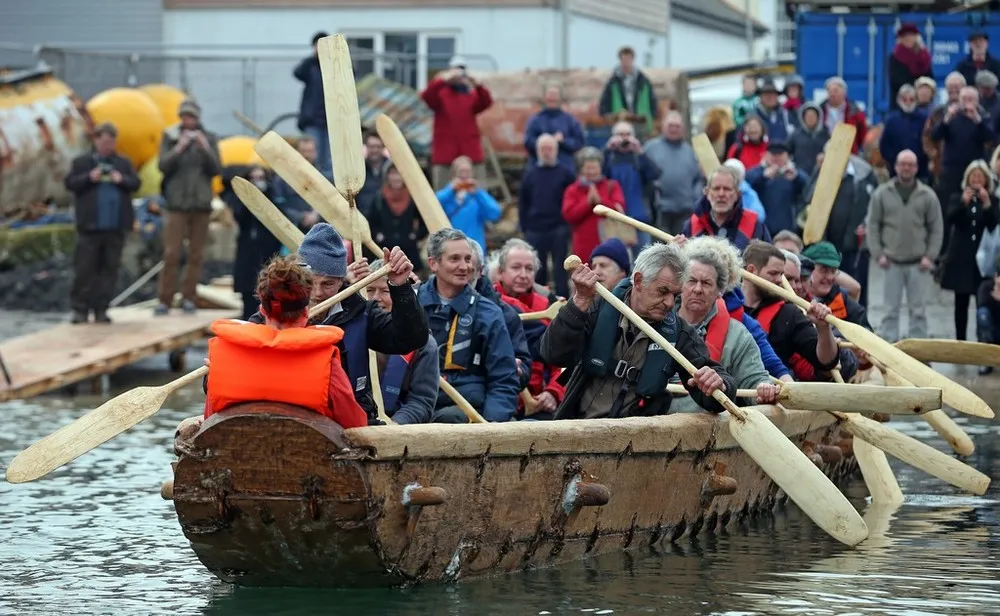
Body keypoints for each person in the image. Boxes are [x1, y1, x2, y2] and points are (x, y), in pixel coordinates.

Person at [249, 223, 428, 424]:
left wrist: (400, 287)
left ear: (342, 280)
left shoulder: (362, 313)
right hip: (290, 422)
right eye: (310, 282)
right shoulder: (271, 316)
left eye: (328, 284)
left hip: (351, 423)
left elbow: (412, 338)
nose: (317, 293)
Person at [540, 243, 737, 418]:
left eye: (675, 295)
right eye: (662, 291)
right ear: (639, 280)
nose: (670, 303)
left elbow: (714, 396)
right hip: (579, 429)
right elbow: (553, 355)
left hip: (635, 443)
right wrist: (579, 302)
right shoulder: (595, 309)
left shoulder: (679, 333)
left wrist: (719, 384)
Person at [203, 255, 367, 428]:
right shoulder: (327, 363)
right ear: (306, 312)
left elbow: (210, 423)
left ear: (262, 311)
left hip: (236, 451)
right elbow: (355, 425)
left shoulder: (223, 357)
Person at [418, 228, 520, 422]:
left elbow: (504, 380)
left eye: (467, 259)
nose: (464, 266)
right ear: (433, 263)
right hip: (413, 407)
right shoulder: (411, 306)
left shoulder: (489, 313)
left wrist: (490, 426)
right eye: (454, 259)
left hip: (468, 412)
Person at [673, 237, 779, 411]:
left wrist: (764, 390)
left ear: (720, 291)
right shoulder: (658, 322)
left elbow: (755, 381)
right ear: (680, 284)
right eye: (691, 281)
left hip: (708, 431)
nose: (697, 289)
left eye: (706, 283)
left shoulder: (738, 336)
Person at [64, 122, 140, 324]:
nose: (108, 145)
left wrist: (121, 179)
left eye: (111, 142)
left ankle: (101, 309)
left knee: (109, 269)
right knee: (85, 268)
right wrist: (90, 177)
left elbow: (135, 183)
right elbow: (70, 183)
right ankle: (80, 309)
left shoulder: (123, 163)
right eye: (104, 141)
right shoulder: (82, 162)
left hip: (115, 226)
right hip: (90, 226)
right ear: (96, 140)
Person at [742, 241, 850, 382]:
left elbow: (826, 362)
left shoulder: (789, 313)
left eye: (781, 275)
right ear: (751, 271)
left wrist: (823, 328)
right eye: (773, 273)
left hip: (774, 393)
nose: (780, 281)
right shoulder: (726, 304)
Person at [866, 150, 944, 342]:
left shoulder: (927, 195)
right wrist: (878, 254)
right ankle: (890, 351)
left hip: (918, 263)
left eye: (910, 164)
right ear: (896, 166)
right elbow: (873, 224)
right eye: (903, 164)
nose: (906, 168)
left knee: (918, 311)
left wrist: (930, 255)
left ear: (917, 168)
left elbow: (936, 228)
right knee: (890, 311)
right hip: (891, 262)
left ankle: (919, 353)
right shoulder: (882, 193)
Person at [155, 98, 221, 316]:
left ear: (198, 118)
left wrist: (203, 148)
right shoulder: (170, 137)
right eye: (184, 116)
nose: (188, 120)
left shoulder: (209, 138)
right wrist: (179, 148)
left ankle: (188, 298)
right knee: (172, 253)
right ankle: (164, 299)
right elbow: (162, 166)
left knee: (196, 254)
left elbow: (216, 169)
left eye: (191, 116)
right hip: (177, 205)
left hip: (201, 205)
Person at [493, 239, 566, 420]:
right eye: (516, 267)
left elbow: (563, 362)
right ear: (501, 273)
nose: (523, 274)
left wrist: (553, 392)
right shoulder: (488, 305)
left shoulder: (549, 306)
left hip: (541, 401)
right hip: (500, 401)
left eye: (529, 269)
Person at [365, 259, 439, 424]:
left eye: (385, 291)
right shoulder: (353, 331)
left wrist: (393, 426)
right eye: (369, 290)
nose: (375, 298)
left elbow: (421, 401)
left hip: (397, 426)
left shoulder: (424, 344)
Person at [941, 160, 998, 340]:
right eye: (973, 177)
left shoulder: (993, 200)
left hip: (982, 261)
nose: (976, 180)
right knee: (961, 304)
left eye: (980, 177)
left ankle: (982, 340)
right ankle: (960, 341)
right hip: (961, 259)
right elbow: (951, 218)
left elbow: (993, 225)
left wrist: (987, 204)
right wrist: (962, 203)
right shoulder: (956, 197)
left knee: (982, 303)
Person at [222, 165, 285, 320]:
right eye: (254, 178)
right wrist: (250, 197)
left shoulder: (273, 193)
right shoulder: (239, 198)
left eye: (261, 178)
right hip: (248, 248)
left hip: (267, 247)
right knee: (248, 289)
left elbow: (278, 214)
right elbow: (240, 217)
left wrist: (265, 194)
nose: (258, 182)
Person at [422, 56, 494, 190]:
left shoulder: (471, 95)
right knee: (443, 194)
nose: (459, 74)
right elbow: (426, 96)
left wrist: (478, 85)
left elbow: (486, 102)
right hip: (445, 156)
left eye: (462, 70)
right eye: (455, 70)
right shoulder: (440, 94)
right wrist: (443, 80)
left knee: (476, 192)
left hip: (470, 154)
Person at [519, 134, 577, 298]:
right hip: (535, 228)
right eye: (543, 149)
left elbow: (572, 198)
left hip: (559, 227)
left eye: (549, 148)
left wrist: (568, 226)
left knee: (561, 268)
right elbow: (523, 202)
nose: (546, 152)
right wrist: (524, 227)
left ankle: (563, 302)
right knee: (538, 268)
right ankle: (540, 301)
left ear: (556, 151)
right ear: (537, 151)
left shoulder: (566, 173)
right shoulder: (530, 174)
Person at [563, 146, 627, 264]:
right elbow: (569, 216)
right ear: (581, 169)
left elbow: (619, 211)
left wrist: (600, 202)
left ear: (600, 168)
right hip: (583, 245)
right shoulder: (573, 189)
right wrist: (587, 203)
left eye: (594, 167)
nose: (591, 172)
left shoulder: (612, 186)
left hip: (608, 242)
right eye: (588, 168)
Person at [681, 166, 771, 250]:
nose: (721, 194)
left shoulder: (755, 226)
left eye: (727, 189)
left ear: (737, 194)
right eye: (716, 188)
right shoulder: (691, 226)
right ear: (707, 192)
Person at [603, 121, 661, 250]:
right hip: (615, 218)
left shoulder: (639, 156)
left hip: (640, 217)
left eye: (628, 134)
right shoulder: (609, 156)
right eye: (620, 134)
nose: (624, 138)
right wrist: (607, 150)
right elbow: (601, 176)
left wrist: (640, 152)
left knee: (643, 256)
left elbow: (655, 174)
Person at [644, 111, 702, 236]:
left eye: (677, 126)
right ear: (663, 126)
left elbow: (698, 178)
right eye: (671, 125)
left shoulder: (689, 151)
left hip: (685, 210)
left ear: (683, 129)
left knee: (682, 249)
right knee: (662, 249)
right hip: (660, 210)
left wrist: (694, 197)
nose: (674, 129)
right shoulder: (650, 148)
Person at [435, 155, 502, 253]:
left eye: (467, 172)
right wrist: (451, 190)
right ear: (454, 174)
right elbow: (434, 205)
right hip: (450, 247)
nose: (464, 175)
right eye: (461, 172)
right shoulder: (447, 195)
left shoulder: (477, 196)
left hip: (474, 247)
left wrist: (477, 193)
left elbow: (495, 213)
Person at [367, 164, 427, 272]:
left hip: (409, 252)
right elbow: (371, 223)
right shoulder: (379, 197)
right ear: (387, 176)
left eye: (399, 173)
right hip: (384, 251)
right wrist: (379, 235)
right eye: (393, 173)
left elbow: (424, 222)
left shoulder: (413, 197)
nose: (396, 177)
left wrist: (415, 236)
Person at [802, 241, 872, 330]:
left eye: (833, 271)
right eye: (824, 270)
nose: (830, 277)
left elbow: (867, 332)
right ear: (807, 270)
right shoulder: (796, 295)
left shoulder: (842, 300)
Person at [746, 141, 809, 236]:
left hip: (788, 227)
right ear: (766, 155)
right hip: (762, 227)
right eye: (773, 154)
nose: (776, 157)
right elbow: (747, 186)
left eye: (780, 154)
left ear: (787, 155)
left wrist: (796, 177)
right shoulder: (757, 172)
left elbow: (808, 188)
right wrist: (763, 177)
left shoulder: (794, 173)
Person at [293, 32, 332, 175]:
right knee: (311, 155)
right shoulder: (310, 65)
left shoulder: (334, 64)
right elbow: (298, 73)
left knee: (328, 159)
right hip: (313, 120)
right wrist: (314, 58)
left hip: (331, 121)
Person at [523, 83, 585, 173]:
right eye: (549, 95)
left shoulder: (570, 120)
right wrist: (544, 142)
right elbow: (527, 142)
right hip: (539, 169)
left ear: (560, 99)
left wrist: (563, 141)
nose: (552, 98)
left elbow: (579, 142)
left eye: (555, 95)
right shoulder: (535, 120)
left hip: (564, 168)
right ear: (544, 98)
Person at [272, 135, 328, 233]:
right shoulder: (283, 177)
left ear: (316, 152)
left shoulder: (323, 176)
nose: (307, 155)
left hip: (319, 229)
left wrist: (315, 215)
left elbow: (328, 200)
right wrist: (300, 217)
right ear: (296, 152)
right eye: (303, 151)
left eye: (310, 151)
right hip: (291, 228)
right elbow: (279, 203)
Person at [598, 46, 659, 135]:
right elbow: (604, 104)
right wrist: (610, 117)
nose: (626, 63)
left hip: (640, 123)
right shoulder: (613, 82)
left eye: (628, 59)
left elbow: (653, 101)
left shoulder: (643, 81)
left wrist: (652, 118)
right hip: (620, 124)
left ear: (633, 60)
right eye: (623, 60)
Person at [880, 85, 930, 182]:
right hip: (896, 172)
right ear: (899, 100)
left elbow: (929, 142)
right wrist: (897, 163)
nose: (908, 102)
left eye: (911, 99)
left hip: (921, 172)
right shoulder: (891, 120)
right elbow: (884, 145)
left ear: (916, 100)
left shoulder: (924, 119)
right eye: (904, 99)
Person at [888, 23, 933, 111]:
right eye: (905, 36)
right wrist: (914, 90)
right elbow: (895, 80)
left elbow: (930, 77)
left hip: (922, 104)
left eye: (911, 35)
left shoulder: (924, 56)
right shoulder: (895, 57)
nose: (908, 38)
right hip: (901, 104)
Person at [819, 77, 867, 154]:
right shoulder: (819, 111)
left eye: (836, 91)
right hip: (825, 154)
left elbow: (863, 136)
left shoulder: (855, 112)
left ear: (844, 92)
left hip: (849, 154)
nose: (832, 94)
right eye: (829, 91)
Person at [787, 103, 830, 177]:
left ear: (818, 117)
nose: (810, 118)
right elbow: (787, 151)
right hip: (800, 174)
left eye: (813, 116)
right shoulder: (795, 135)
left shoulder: (826, 134)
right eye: (808, 116)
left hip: (821, 174)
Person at [357, 132, 392, 216]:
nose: (375, 150)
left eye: (378, 147)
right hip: (364, 217)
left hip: (385, 219)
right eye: (372, 146)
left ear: (383, 147)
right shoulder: (359, 169)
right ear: (366, 147)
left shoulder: (391, 169)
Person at [722, 159, 766, 223]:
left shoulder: (749, 193)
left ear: (742, 177)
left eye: (735, 174)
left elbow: (760, 216)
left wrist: (740, 215)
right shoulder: (716, 190)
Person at [753, 78, 795, 144]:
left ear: (777, 96)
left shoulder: (786, 115)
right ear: (760, 96)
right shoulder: (753, 116)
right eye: (766, 94)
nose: (770, 97)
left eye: (772, 94)